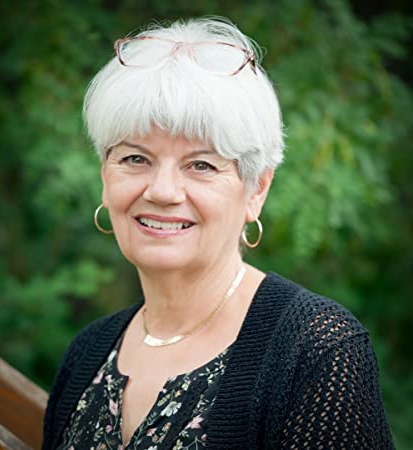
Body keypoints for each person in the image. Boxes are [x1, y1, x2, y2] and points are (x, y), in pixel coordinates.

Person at [42, 17, 394, 450]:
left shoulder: (317, 352)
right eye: (135, 159)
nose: (162, 191)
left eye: (201, 165)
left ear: (256, 190)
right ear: (104, 176)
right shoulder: (86, 354)